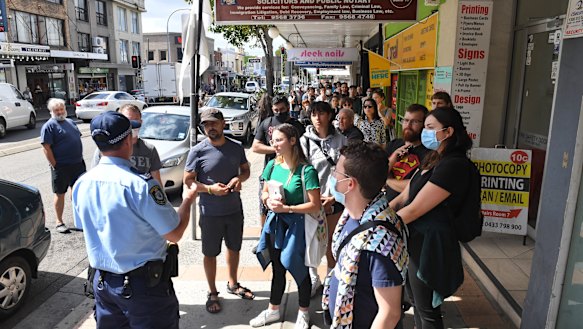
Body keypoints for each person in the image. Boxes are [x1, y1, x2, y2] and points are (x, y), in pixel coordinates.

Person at [72, 111, 197, 328]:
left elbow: (84, 226)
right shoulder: (140, 185)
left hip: (103, 284)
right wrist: (187, 201)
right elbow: (174, 233)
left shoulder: (83, 183)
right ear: (129, 139)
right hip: (143, 287)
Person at [390, 107, 473, 329]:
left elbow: (414, 209)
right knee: (417, 301)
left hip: (430, 245)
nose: (424, 132)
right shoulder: (434, 158)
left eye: (429, 128)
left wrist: (379, 226)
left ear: (447, 132)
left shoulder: (454, 165)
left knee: (426, 309)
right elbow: (406, 195)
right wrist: (379, 214)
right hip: (415, 240)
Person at [323, 141, 408, 329]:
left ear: (349, 184)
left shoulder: (379, 243)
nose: (332, 177)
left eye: (335, 172)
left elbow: (390, 314)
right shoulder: (353, 215)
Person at [251, 123, 321, 329]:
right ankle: (274, 309)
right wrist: (268, 202)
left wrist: (288, 209)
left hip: (297, 225)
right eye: (273, 140)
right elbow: (264, 192)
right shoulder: (272, 165)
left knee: (297, 266)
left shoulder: (306, 170)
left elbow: (314, 204)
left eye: (279, 139)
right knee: (277, 268)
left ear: (292, 141)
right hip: (275, 224)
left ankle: (304, 311)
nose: (274, 143)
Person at [183, 108, 253, 313]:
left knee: (234, 248)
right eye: (206, 124)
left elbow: (246, 170)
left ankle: (233, 283)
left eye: (214, 123)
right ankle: (212, 291)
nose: (210, 127)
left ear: (223, 124)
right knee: (210, 253)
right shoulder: (197, 151)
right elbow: (188, 180)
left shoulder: (236, 147)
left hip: (233, 209)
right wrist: (209, 189)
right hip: (210, 212)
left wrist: (238, 179)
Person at [300, 101, 348, 296]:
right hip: (311, 199)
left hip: (334, 200)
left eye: (321, 114)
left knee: (331, 241)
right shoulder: (303, 141)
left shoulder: (342, 141)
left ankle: (330, 280)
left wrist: (334, 198)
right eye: (313, 114)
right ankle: (313, 278)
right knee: (310, 240)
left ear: (330, 116)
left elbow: (347, 172)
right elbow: (299, 171)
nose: (317, 118)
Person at [252, 95, 305, 227]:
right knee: (265, 205)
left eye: (282, 109)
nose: (279, 112)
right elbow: (256, 146)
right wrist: (277, 148)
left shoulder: (296, 125)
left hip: (293, 169)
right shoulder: (267, 123)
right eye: (276, 110)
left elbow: (303, 147)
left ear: (288, 107)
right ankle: (264, 236)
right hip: (271, 170)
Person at [40, 98, 85, 234]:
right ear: (51, 112)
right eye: (56, 110)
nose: (60, 112)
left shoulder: (71, 122)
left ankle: (80, 218)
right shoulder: (49, 126)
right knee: (60, 193)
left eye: (61, 109)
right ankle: (59, 221)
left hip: (78, 164)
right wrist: (55, 165)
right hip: (61, 166)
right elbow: (46, 148)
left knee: (78, 191)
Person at [92, 104, 162, 183]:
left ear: (141, 122)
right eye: (128, 121)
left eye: (135, 120)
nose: (131, 125)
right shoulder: (106, 150)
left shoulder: (149, 149)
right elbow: (95, 176)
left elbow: (156, 180)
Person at [385, 104, 430, 201]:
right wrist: (392, 160)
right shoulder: (394, 144)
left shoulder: (429, 153)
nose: (408, 125)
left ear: (424, 125)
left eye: (414, 122)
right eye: (405, 120)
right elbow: (375, 175)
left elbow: (416, 186)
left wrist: (388, 180)